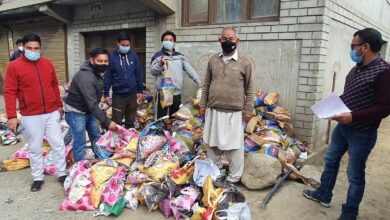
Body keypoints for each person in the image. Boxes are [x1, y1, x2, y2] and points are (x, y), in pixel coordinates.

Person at [303, 28, 390, 220]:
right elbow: (351, 95)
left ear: (365, 47)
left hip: (362, 133)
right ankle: (323, 194)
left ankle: (349, 213)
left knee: (354, 174)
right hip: (343, 128)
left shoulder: (384, 71)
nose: (351, 50)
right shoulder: (357, 67)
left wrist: (354, 117)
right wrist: (332, 105)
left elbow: (384, 108)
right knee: (330, 160)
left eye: (353, 46)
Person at [4, 33, 67, 191]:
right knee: (35, 147)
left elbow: (54, 85)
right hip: (30, 115)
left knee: (58, 144)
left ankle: (62, 173)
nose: (33, 51)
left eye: (36, 48)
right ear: (23, 48)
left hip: (51, 112)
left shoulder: (47, 63)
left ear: (40, 48)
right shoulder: (14, 66)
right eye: (29, 48)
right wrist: (12, 116)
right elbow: (10, 91)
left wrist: (59, 106)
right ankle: (38, 177)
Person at [199, 27, 254, 185]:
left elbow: (250, 88)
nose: (228, 42)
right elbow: (207, 84)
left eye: (231, 39)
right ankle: (216, 171)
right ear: (220, 40)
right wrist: (203, 105)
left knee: (234, 148)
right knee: (212, 144)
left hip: (234, 113)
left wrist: (248, 110)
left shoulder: (245, 62)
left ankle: (234, 177)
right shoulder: (213, 60)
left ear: (237, 41)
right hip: (213, 110)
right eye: (225, 39)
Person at [64, 48, 118, 162]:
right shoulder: (85, 76)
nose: (103, 64)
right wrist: (107, 122)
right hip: (76, 112)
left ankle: (101, 162)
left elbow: (93, 101)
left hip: (89, 111)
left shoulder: (97, 73)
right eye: (100, 61)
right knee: (80, 142)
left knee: (96, 138)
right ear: (92, 60)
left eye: (105, 61)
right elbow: (92, 104)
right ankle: (79, 170)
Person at [151, 30, 202, 118]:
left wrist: (198, 81)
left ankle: (172, 132)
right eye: (166, 40)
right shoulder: (158, 56)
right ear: (162, 42)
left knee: (175, 118)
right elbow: (153, 72)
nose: (168, 42)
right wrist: (160, 64)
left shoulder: (179, 56)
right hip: (163, 93)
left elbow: (189, 69)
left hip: (176, 94)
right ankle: (162, 132)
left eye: (171, 40)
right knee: (161, 118)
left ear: (174, 42)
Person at [103, 32, 144, 129]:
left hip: (132, 95)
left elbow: (138, 74)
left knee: (130, 121)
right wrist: (106, 94)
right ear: (117, 43)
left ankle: (129, 141)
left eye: (127, 45)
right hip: (118, 96)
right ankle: (118, 142)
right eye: (123, 45)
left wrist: (140, 91)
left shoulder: (133, 56)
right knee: (117, 122)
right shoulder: (111, 57)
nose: (125, 47)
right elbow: (108, 76)